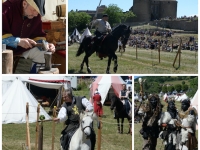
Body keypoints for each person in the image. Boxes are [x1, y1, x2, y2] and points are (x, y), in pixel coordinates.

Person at [2, 0, 55, 73]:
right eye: (33, 10)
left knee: (43, 53)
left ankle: (35, 79)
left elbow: (38, 35)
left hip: (22, 49)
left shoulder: (35, 15)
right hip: (3, 49)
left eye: (38, 12)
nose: (36, 14)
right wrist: (18, 41)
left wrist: (45, 45)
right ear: (24, 3)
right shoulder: (5, 9)